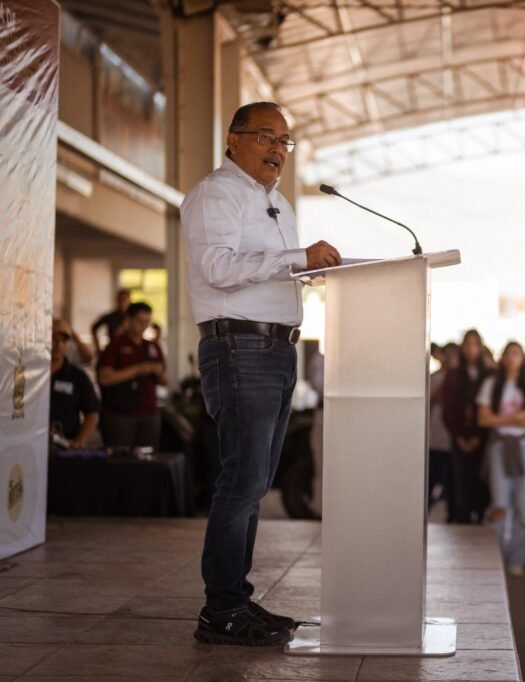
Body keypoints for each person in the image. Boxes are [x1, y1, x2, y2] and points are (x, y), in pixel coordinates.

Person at [181, 101, 342, 646]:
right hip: (240, 347)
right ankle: (221, 610)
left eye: (284, 141)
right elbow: (217, 268)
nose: (277, 149)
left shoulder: (278, 204)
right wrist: (297, 259)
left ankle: (236, 599)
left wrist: (311, 271)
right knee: (241, 481)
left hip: (275, 348)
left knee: (255, 484)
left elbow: (271, 269)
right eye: (265, 136)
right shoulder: (217, 194)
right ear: (233, 139)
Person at [477, 342, 525, 575]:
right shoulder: (491, 384)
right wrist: (517, 417)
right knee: (499, 504)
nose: (511, 358)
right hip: (499, 447)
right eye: (507, 353)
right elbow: (483, 419)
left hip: (524, 447)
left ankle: (517, 557)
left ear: (523, 358)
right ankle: (495, 556)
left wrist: (500, 418)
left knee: (524, 505)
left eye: (516, 354)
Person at [96, 301, 167, 449]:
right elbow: (104, 378)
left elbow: (165, 381)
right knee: (121, 457)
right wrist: (137, 370)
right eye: (139, 321)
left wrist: (158, 372)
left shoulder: (153, 346)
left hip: (150, 413)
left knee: (148, 456)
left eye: (147, 322)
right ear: (128, 320)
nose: (143, 326)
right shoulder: (115, 345)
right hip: (121, 414)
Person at [443, 329, 491, 524]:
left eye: (475, 344)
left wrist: (480, 435)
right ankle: (462, 519)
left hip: (482, 437)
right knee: (460, 481)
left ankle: (480, 518)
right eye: (468, 344)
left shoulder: (488, 375)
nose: (471, 349)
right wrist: (459, 437)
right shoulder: (454, 375)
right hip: (460, 437)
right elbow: (448, 409)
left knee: (481, 480)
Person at [49, 317, 100, 449]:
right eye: (53, 338)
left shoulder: (78, 377)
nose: (58, 344)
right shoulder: (27, 374)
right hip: (29, 443)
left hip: (63, 445)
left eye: (64, 340)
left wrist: (80, 441)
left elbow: (92, 413)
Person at [428, 343, 458, 517]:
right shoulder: (436, 377)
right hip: (436, 437)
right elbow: (436, 398)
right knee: (433, 476)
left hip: (453, 439)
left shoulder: (460, 377)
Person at [91, 288, 131, 355]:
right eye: (120, 299)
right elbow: (94, 328)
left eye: (124, 299)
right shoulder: (110, 317)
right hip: (113, 350)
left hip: (129, 350)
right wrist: (98, 348)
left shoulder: (132, 317)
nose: (122, 302)